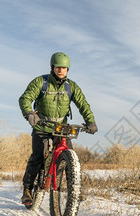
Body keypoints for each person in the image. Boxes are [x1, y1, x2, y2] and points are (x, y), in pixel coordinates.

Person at [18, 52, 98, 205]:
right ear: (52, 67)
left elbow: (83, 104)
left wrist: (90, 121)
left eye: (64, 68)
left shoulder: (71, 86)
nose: (61, 70)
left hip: (62, 127)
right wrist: (29, 113)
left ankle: (74, 190)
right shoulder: (40, 82)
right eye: (58, 67)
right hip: (41, 125)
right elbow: (25, 98)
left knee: (70, 155)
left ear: (67, 69)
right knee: (37, 157)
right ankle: (27, 190)